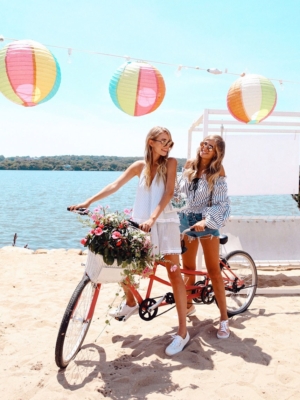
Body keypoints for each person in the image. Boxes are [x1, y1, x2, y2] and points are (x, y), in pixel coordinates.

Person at [69, 126, 190, 356]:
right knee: (122, 266)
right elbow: (115, 185)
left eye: (170, 142)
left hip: (164, 224)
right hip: (140, 225)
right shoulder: (139, 166)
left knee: (174, 274)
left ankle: (183, 333)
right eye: (163, 141)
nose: (167, 145)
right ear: (151, 142)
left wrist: (153, 218)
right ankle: (131, 302)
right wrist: (88, 201)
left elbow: (168, 193)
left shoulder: (171, 163)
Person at [178, 135, 231, 339]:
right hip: (185, 220)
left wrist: (206, 221)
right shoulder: (190, 164)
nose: (205, 147)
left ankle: (224, 319)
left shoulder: (217, 171)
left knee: (213, 271)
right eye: (203, 143)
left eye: (210, 146)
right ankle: (189, 305)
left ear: (217, 152)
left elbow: (221, 203)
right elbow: (180, 193)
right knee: (188, 269)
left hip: (206, 223)